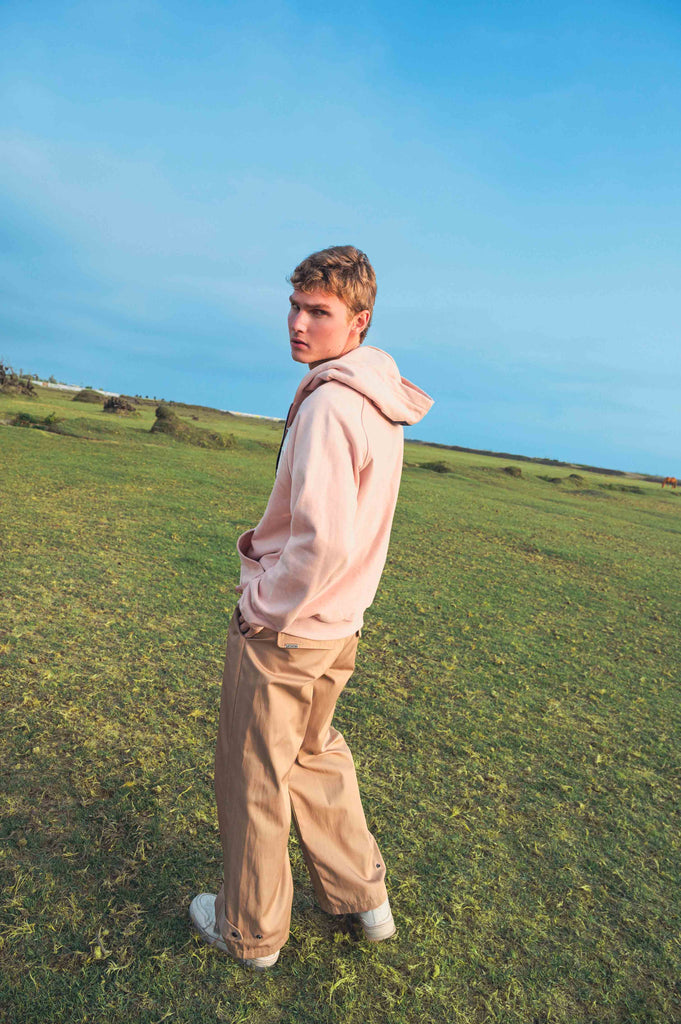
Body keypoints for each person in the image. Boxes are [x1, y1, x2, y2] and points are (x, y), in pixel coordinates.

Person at [189, 245, 433, 969]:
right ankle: (364, 900)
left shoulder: (330, 403)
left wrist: (264, 606)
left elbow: (320, 539)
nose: (298, 324)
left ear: (358, 321)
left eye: (318, 312)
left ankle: (251, 933)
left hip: (289, 631)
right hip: (338, 626)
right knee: (315, 755)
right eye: (294, 307)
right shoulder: (377, 396)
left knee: (254, 776)